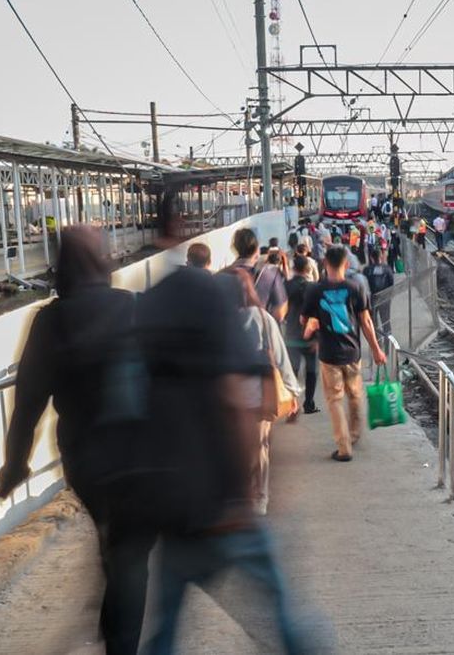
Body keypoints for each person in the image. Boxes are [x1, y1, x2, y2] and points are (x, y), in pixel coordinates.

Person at [136, 196, 308, 654]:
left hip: (173, 497)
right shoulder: (212, 297)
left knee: (165, 624)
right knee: (281, 611)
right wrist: (243, 493)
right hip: (220, 492)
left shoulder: (148, 306)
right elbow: (233, 396)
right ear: (185, 226)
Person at [0, 226, 154, 654]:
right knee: (131, 558)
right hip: (139, 454)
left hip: (85, 462)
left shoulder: (49, 321)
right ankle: (120, 641)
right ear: (104, 262)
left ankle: (113, 625)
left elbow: (27, 404)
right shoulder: (134, 307)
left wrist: (14, 466)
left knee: (118, 546)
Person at [302, 246, 387, 462]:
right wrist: (376, 350)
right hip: (352, 353)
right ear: (346, 265)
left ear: (324, 264)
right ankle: (354, 435)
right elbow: (366, 321)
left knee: (334, 400)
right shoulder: (355, 287)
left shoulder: (314, 290)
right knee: (355, 395)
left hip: (329, 354)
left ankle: (344, 446)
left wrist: (314, 322)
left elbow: (305, 320)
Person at [227, 267, 301, 516]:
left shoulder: (218, 320)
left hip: (229, 398)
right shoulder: (263, 317)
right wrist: (292, 392)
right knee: (260, 448)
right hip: (260, 395)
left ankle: (240, 495)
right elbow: (280, 357)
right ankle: (259, 498)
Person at [284, 255, 320, 416]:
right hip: (309, 336)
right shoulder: (313, 287)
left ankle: (292, 404)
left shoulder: (286, 285)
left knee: (292, 370)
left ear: (294, 268)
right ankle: (309, 403)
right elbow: (318, 313)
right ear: (307, 269)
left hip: (291, 334)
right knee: (311, 371)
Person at [230, 228, 288, 322]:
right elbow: (280, 313)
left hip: (231, 333)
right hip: (260, 331)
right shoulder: (270, 273)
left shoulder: (222, 275)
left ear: (234, 248)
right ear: (257, 249)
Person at [363, 247, 395, 340]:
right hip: (385, 297)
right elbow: (391, 283)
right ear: (381, 257)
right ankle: (388, 343)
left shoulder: (367, 270)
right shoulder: (387, 269)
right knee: (386, 321)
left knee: (373, 322)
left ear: (371, 258)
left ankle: (377, 342)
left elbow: (364, 284)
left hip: (372, 298)